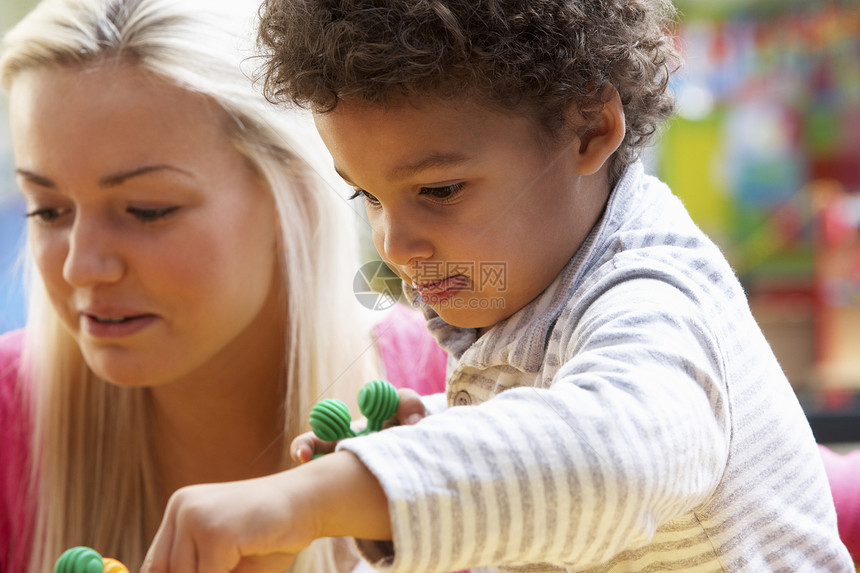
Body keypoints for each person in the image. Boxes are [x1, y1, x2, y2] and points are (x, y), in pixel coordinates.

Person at [140, 0, 855, 571]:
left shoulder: (654, 292)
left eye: (440, 189)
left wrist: (321, 496)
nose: (394, 243)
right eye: (370, 197)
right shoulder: (526, 296)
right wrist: (445, 439)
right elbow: (546, 512)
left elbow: (612, 456)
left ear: (588, 129)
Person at [0, 0, 447, 571]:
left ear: (294, 205)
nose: (81, 268)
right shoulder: (10, 420)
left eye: (147, 209)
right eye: (48, 211)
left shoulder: (466, 395)